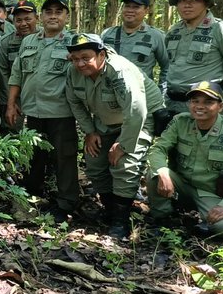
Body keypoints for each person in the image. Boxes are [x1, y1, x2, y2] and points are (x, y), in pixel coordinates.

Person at [64, 34, 164, 238]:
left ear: (101, 55)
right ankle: (110, 209)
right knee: (94, 160)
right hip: (104, 121)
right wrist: (90, 131)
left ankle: (121, 221)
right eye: (75, 59)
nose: (80, 64)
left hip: (140, 120)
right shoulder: (73, 72)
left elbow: (136, 112)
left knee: (124, 164)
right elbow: (74, 102)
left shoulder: (119, 71)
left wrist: (123, 145)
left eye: (86, 58)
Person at [148, 81, 223, 239]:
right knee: (154, 174)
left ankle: (207, 222)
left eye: (208, 102)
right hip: (181, 185)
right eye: (195, 101)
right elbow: (158, 149)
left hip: (209, 193)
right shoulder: (180, 122)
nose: (199, 106)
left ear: (221, 106)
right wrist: (163, 171)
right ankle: (163, 218)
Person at [6, 0, 78, 222]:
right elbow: (17, 74)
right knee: (33, 155)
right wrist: (11, 104)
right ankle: (32, 194)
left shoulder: (75, 42)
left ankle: (66, 203)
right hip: (32, 111)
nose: (53, 16)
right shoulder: (29, 42)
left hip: (61, 112)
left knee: (63, 158)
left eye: (59, 12)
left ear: (67, 16)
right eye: (49, 12)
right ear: (42, 17)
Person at [100, 0, 168, 86]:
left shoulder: (156, 36)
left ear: (146, 10)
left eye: (136, 7)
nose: (130, 10)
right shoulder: (107, 34)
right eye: (127, 6)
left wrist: (161, 93)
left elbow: (167, 67)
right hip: (109, 92)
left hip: (141, 94)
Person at [0, 0, 37, 131]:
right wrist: (10, 103)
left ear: (37, 18)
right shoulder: (6, 42)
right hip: (15, 95)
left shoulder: (46, 37)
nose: (23, 24)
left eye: (27, 19)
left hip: (40, 96)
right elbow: (3, 74)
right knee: (12, 132)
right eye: (19, 20)